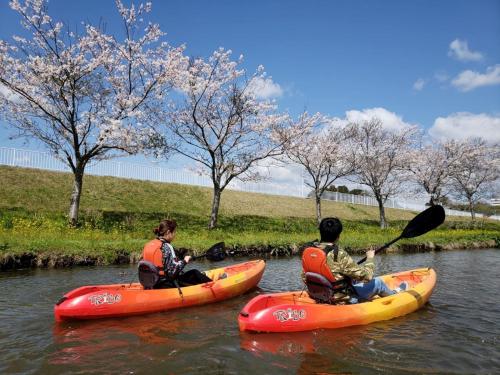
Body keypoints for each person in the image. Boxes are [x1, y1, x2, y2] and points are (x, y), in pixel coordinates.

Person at [302, 217, 407, 303]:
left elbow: (304, 277)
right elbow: (368, 277)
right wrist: (370, 258)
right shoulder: (338, 254)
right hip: (341, 299)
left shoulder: (309, 251)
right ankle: (394, 295)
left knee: (354, 279)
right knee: (378, 282)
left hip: (319, 295)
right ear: (338, 236)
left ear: (320, 232)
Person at [141, 219, 212, 288]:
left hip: (150, 283)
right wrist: (185, 261)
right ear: (168, 232)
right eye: (174, 232)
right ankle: (213, 285)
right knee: (194, 273)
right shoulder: (167, 246)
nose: (175, 235)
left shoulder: (149, 244)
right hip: (164, 284)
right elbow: (172, 272)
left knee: (184, 274)